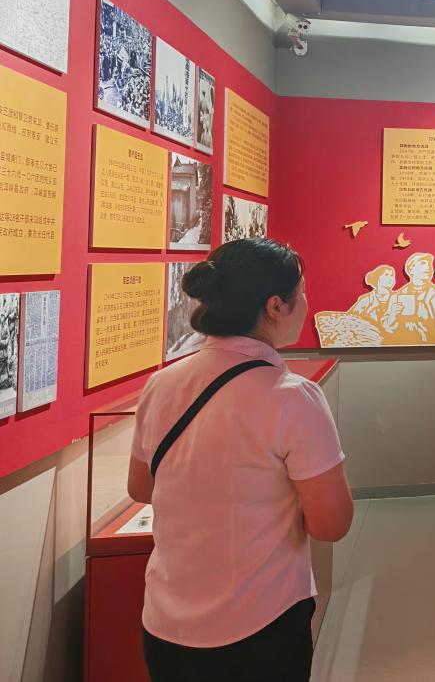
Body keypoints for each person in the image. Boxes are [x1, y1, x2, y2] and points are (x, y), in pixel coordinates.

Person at [126, 239, 353, 681]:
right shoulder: (294, 397)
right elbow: (332, 523)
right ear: (275, 306)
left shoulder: (161, 384)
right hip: (262, 623)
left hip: (166, 622)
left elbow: (141, 487)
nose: (307, 303)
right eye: (302, 293)